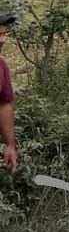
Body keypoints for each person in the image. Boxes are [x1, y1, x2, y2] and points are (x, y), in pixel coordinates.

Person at [1, 13, 17, 174]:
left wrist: (9, 144)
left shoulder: (0, 65)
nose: (3, 40)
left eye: (4, 34)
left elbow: (4, 104)